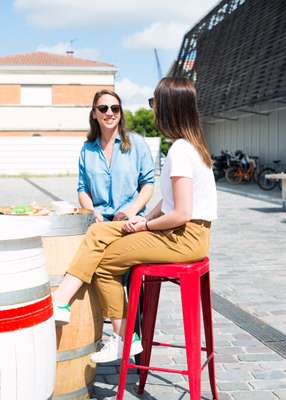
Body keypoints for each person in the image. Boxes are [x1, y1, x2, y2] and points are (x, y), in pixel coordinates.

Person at [53, 77, 217, 364]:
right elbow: (167, 204)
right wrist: (144, 218)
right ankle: (64, 302)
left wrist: (144, 224)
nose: (153, 110)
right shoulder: (190, 145)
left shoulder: (178, 150)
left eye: (155, 103)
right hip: (185, 234)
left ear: (169, 107)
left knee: (104, 263)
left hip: (183, 237)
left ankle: (123, 337)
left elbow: (181, 213)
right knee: (99, 233)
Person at [78, 89, 155, 222]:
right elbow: (83, 189)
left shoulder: (137, 143)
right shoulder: (87, 149)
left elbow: (148, 183)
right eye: (103, 108)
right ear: (94, 114)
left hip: (129, 220)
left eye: (115, 108)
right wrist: (92, 213)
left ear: (120, 113)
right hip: (98, 221)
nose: (109, 113)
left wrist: (131, 211)